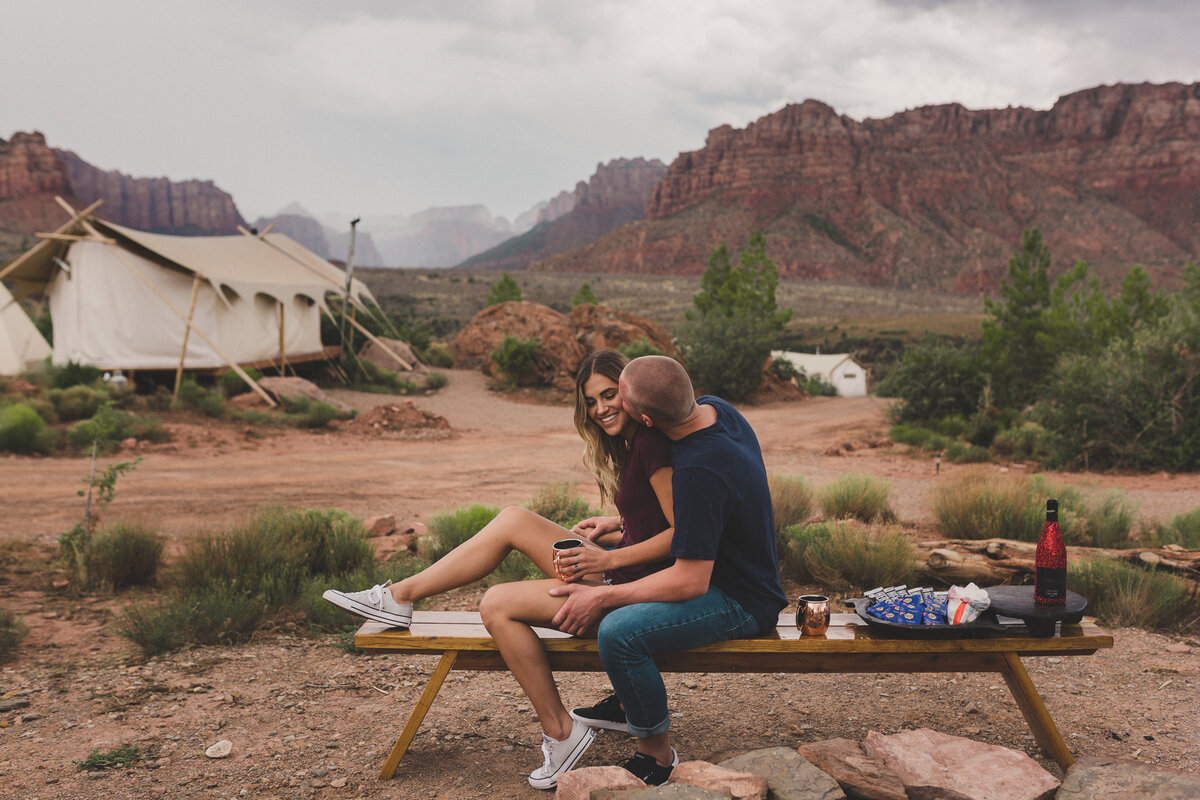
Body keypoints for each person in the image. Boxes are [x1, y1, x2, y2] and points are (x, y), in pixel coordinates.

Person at [322, 349, 675, 789]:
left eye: (609, 395)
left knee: (497, 604)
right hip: (626, 572)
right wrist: (618, 525)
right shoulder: (633, 442)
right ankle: (399, 596)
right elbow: (658, 518)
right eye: (591, 401)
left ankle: (562, 733)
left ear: (630, 393)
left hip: (637, 594)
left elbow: (684, 534)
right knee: (512, 518)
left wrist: (607, 558)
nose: (600, 409)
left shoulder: (651, 443)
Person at [549, 355, 786, 786]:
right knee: (620, 617)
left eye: (617, 394)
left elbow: (689, 580)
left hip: (740, 599)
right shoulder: (718, 410)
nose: (608, 405)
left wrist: (604, 594)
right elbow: (705, 518)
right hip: (733, 575)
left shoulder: (697, 471)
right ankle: (629, 702)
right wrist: (620, 523)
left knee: (620, 632)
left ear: (645, 419)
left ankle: (656, 758)